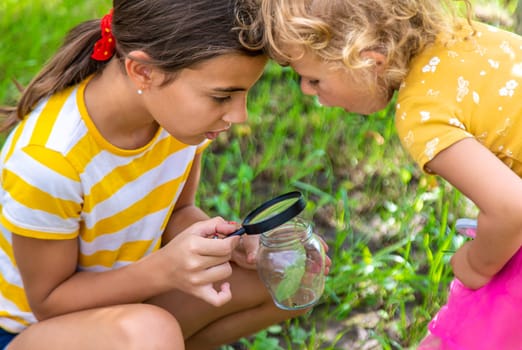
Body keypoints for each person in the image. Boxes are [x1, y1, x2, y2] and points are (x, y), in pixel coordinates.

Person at [0, 0, 315, 349]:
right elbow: (49, 302)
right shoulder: (49, 162)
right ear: (143, 72)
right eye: (221, 96)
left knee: (286, 271)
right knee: (151, 332)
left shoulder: (175, 123)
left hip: (127, 306)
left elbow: (176, 215)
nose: (239, 116)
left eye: (243, 95)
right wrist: (164, 271)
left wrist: (232, 244)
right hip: (29, 332)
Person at [241, 0, 522, 349]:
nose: (306, 91)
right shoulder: (469, 37)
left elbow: (512, 208)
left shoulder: (420, 112)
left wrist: (477, 265)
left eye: (313, 79)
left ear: (368, 60)